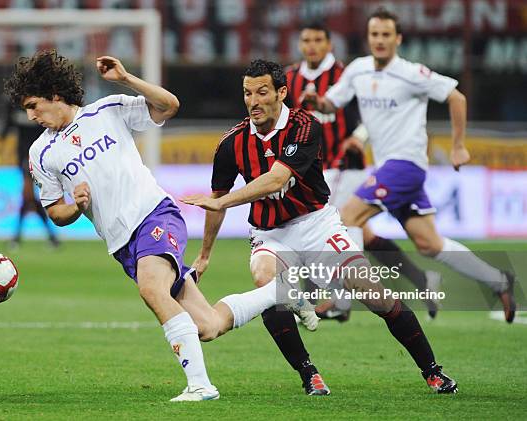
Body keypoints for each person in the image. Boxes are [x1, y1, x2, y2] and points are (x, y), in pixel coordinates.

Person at [4, 50, 305, 402]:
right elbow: (55, 211)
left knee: (152, 289)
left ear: (55, 95)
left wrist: (126, 79)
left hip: (154, 215)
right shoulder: (40, 153)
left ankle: (201, 386)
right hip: (122, 245)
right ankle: (283, 290)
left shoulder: (108, 110)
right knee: (208, 326)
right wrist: (76, 207)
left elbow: (169, 105)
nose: (30, 115)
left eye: (34, 105)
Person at [182, 59, 458, 394]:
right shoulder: (232, 144)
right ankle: (308, 373)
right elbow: (217, 197)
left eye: (262, 92)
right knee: (266, 283)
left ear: (282, 92)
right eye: (247, 93)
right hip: (270, 234)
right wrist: (205, 254)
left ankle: (432, 371)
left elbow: (276, 179)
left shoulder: (304, 126)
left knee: (373, 293)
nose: (253, 101)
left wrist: (223, 202)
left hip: (317, 225)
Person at [317, 8, 516, 323]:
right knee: (429, 243)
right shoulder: (358, 70)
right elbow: (332, 102)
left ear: (398, 39)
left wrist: (459, 145)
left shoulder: (412, 73)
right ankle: (499, 280)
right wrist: (317, 102)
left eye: (386, 35)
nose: (379, 41)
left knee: (348, 216)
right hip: (388, 168)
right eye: (374, 35)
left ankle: (342, 300)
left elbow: (457, 98)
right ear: (368, 38)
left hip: (405, 165)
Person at [286, 21, 441, 321]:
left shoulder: (348, 74)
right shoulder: (291, 78)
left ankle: (334, 302)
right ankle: (423, 281)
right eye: (306, 40)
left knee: (320, 226)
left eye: (318, 40)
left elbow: (372, 113)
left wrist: (359, 137)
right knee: (363, 235)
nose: (312, 46)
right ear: (300, 44)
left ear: (329, 44)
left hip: (346, 165)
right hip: (314, 169)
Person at [0, 101, 60, 249]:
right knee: (28, 197)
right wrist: (0, 145)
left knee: (28, 197)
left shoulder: (41, 104)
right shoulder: (13, 105)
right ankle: (51, 237)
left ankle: (18, 237)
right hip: (23, 157)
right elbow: (6, 127)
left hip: (40, 156)